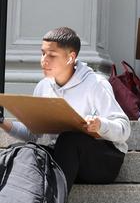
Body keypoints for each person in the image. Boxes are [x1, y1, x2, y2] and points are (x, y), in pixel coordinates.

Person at [0, 27, 130, 192]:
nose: (44, 60)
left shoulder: (96, 84)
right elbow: (33, 134)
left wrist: (100, 125)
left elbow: (124, 129)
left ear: (71, 57)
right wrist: (2, 122)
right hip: (64, 158)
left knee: (69, 140)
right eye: (43, 53)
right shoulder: (43, 86)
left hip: (103, 161)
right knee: (23, 152)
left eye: (52, 55)